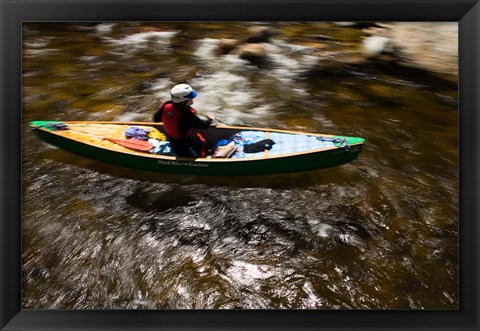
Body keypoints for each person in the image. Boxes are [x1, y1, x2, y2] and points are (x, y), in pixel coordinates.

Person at [153, 84, 215, 158]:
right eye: (191, 98)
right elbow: (204, 125)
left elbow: (156, 119)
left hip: (177, 138)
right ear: (183, 101)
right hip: (181, 144)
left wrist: (163, 109)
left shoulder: (167, 104)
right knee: (193, 157)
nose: (193, 99)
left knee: (199, 141)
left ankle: (207, 152)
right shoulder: (187, 114)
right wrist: (211, 119)